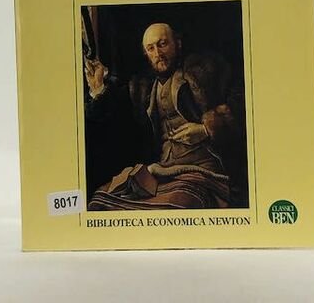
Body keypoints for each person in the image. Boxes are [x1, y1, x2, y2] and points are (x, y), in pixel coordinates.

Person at [84, 22, 242, 210]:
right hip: (160, 171)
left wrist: (206, 129)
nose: (158, 53)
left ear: (178, 43)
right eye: (151, 48)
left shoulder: (205, 72)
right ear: (146, 53)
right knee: (99, 202)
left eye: (162, 44)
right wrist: (98, 87)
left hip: (204, 169)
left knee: (174, 206)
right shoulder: (141, 87)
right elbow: (111, 115)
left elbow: (243, 101)